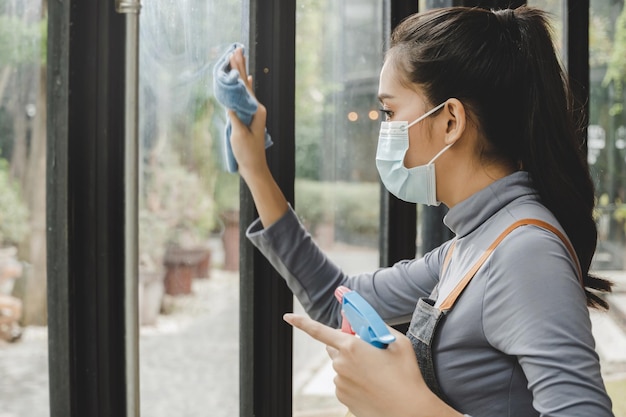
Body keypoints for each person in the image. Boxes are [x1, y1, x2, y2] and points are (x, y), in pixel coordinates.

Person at [225, 6, 615, 417]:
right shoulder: (470, 246)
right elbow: (339, 301)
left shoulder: (525, 252)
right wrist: (254, 167)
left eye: (390, 112)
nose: (384, 128)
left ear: (450, 121)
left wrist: (409, 405)